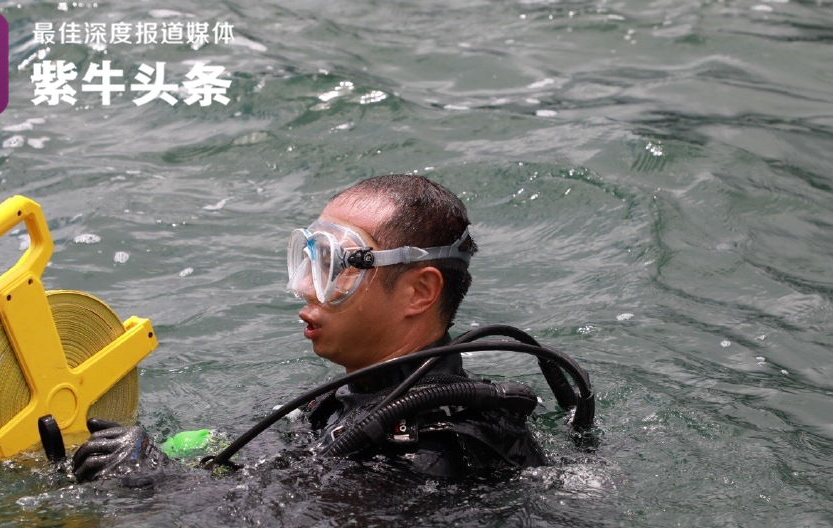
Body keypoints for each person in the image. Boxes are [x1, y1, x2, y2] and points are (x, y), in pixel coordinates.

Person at [71, 174, 548, 483]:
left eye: (336, 265)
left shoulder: (436, 453)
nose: (304, 288)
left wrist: (158, 483)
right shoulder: (334, 401)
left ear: (419, 292)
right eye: (309, 260)